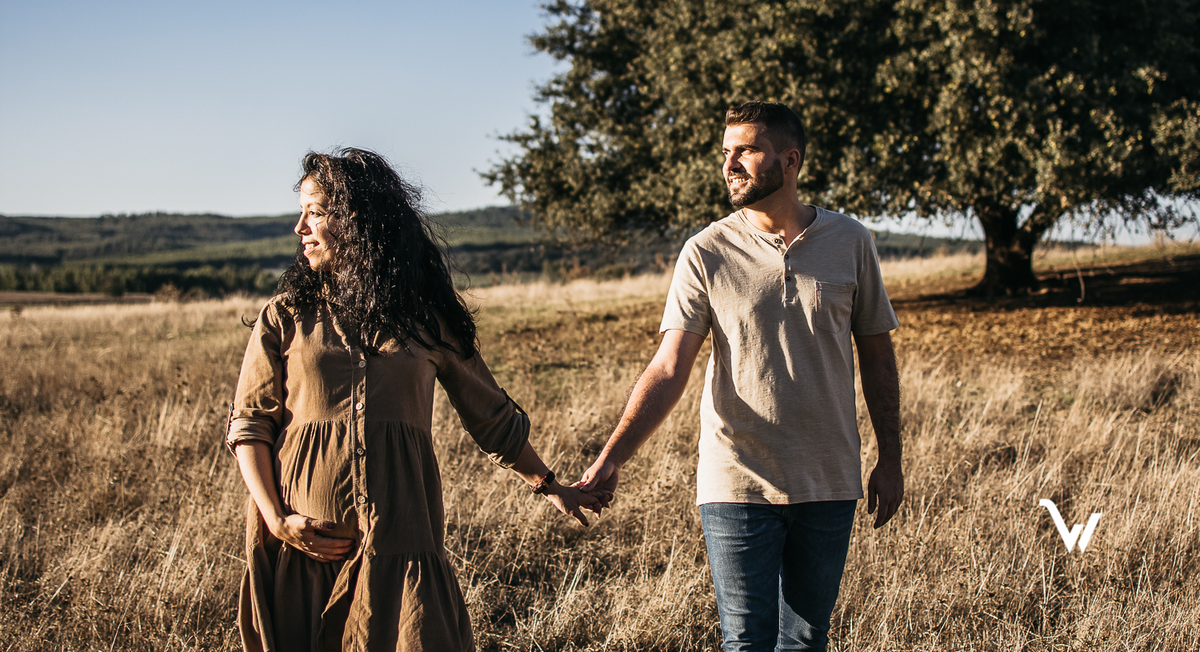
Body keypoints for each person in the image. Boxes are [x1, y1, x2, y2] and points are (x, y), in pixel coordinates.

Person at [226, 148, 600, 652]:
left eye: (315, 211)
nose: (300, 227)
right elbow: (250, 426)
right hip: (303, 546)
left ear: (358, 219)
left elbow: (491, 417)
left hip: (401, 545)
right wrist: (278, 521)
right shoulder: (285, 316)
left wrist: (551, 485)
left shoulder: (426, 322)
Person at [577, 102, 903, 652]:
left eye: (746, 150)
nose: (730, 164)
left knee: (804, 639)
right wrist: (612, 456)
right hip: (737, 480)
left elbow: (877, 357)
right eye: (725, 152)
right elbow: (669, 366)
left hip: (828, 478)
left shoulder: (851, 242)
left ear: (790, 160)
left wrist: (891, 458)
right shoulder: (705, 251)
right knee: (746, 641)